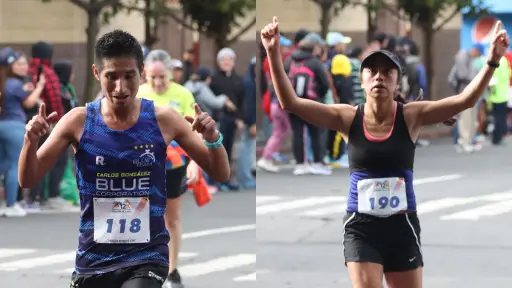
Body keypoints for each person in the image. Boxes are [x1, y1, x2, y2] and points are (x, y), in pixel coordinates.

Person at [261, 17, 509, 288]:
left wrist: (492, 61)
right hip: (361, 227)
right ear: (363, 80)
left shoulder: (411, 116)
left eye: (387, 72)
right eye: (372, 71)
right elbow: (290, 102)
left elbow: (465, 100)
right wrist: (273, 53)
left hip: (402, 226)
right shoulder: (347, 118)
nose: (379, 76)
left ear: (397, 82)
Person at [18, 30, 230, 288]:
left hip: (147, 257)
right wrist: (30, 140)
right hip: (93, 259)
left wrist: (212, 138)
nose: (120, 87)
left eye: (129, 76)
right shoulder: (78, 121)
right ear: (97, 73)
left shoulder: (164, 120)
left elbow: (220, 173)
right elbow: (28, 179)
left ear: (141, 72)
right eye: (111, 76)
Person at [137, 49, 200, 288]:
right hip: (142, 165)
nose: (158, 82)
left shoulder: (183, 94)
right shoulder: (140, 93)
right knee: (141, 217)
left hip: (173, 164)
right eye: (152, 77)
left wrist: (195, 162)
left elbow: (193, 132)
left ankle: (172, 271)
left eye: (162, 76)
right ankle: (144, 267)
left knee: (170, 218)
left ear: (171, 73)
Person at [0, 48, 45, 217]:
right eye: (18, 63)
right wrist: (39, 86)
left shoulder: (5, 83)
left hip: (2, 124)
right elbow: (29, 103)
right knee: (13, 165)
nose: (23, 66)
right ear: (9, 66)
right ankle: (11, 204)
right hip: (14, 126)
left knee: (3, 164)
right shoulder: (13, 84)